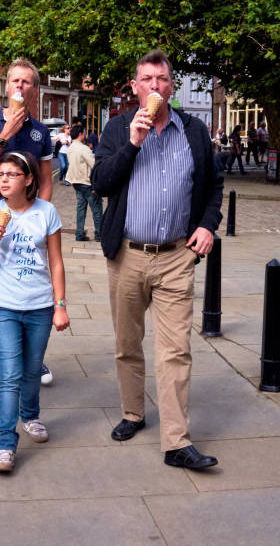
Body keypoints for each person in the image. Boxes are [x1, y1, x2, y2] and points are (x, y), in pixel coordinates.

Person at [92, 49, 223, 470]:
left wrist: (207, 225)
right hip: (127, 255)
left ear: (171, 86)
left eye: (162, 79)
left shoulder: (194, 131)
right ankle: (133, 412)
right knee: (127, 344)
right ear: (135, 87)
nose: (154, 86)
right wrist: (133, 143)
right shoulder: (117, 128)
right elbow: (100, 183)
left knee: (175, 350)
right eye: (146, 79)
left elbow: (213, 184)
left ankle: (176, 442)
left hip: (175, 257)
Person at [0, 151, 69, 471]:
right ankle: (5, 444)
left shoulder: (46, 212)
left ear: (28, 179)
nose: (3, 180)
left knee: (31, 370)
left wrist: (60, 305)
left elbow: (56, 262)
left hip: (39, 305)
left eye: (11, 174)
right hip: (2, 305)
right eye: (0, 174)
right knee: (10, 374)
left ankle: (30, 416)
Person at [0, 58, 55, 402]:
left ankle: (31, 363)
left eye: (26, 82)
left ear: (34, 89)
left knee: (33, 302)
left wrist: (39, 220)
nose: (19, 86)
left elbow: (46, 183)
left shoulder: (40, 132)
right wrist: (4, 136)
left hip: (30, 232)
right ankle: (1, 376)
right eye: (14, 81)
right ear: (6, 86)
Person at [65, 125, 102, 242]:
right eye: (84, 133)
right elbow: (94, 165)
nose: (85, 135)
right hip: (86, 182)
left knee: (81, 208)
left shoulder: (70, 148)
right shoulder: (84, 148)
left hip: (75, 181)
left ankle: (79, 234)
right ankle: (99, 234)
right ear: (80, 134)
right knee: (96, 208)